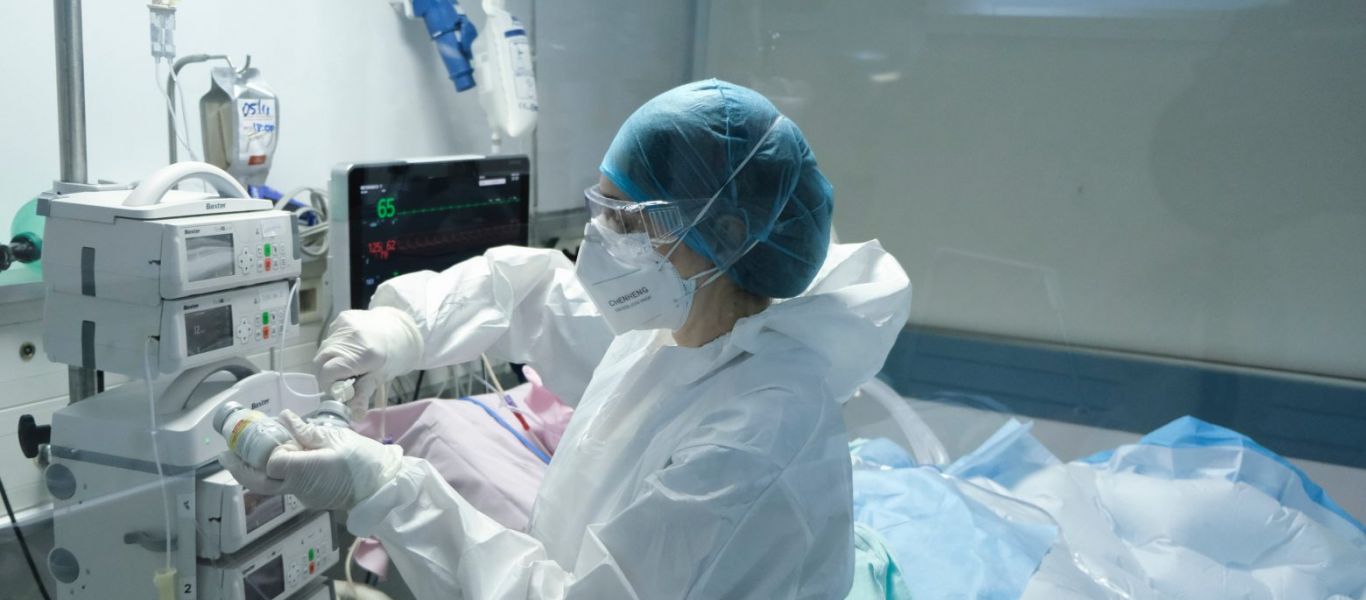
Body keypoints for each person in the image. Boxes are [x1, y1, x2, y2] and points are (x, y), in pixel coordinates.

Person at [223, 79, 912, 599]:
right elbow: (536, 296)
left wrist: (386, 487)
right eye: (600, 209)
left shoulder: (755, 435)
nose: (598, 241)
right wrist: (407, 325)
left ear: (723, 234)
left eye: (626, 220)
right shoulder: (682, 331)